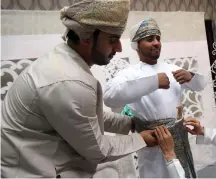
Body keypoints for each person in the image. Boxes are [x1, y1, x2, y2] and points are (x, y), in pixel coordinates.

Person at [1, 0, 157, 178]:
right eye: (113, 40)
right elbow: (97, 150)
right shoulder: (69, 81)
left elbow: (87, 116)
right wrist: (141, 139)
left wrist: (130, 123)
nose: (119, 48)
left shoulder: (65, 63)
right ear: (86, 38)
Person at [103, 18, 207, 178]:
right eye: (150, 39)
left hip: (179, 139)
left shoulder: (173, 69)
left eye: (158, 38)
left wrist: (190, 76)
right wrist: (153, 82)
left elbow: (201, 85)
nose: (156, 42)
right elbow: (109, 98)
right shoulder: (130, 74)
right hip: (153, 143)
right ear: (137, 45)